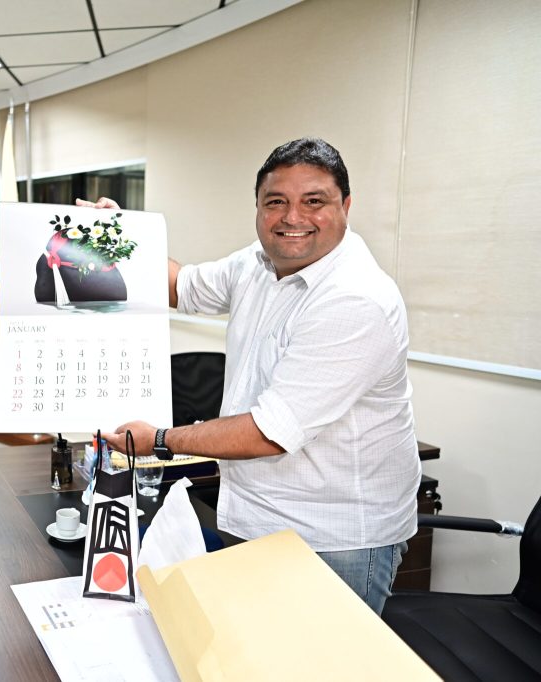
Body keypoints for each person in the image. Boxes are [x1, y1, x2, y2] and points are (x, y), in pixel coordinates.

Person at [89, 138, 421, 614]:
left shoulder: (355, 299)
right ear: (259, 207)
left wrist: (159, 439)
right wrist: (108, 237)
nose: (292, 218)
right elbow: (181, 286)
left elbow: (269, 431)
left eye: (314, 201)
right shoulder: (260, 262)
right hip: (255, 514)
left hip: (331, 541)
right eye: (276, 202)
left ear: (345, 206)